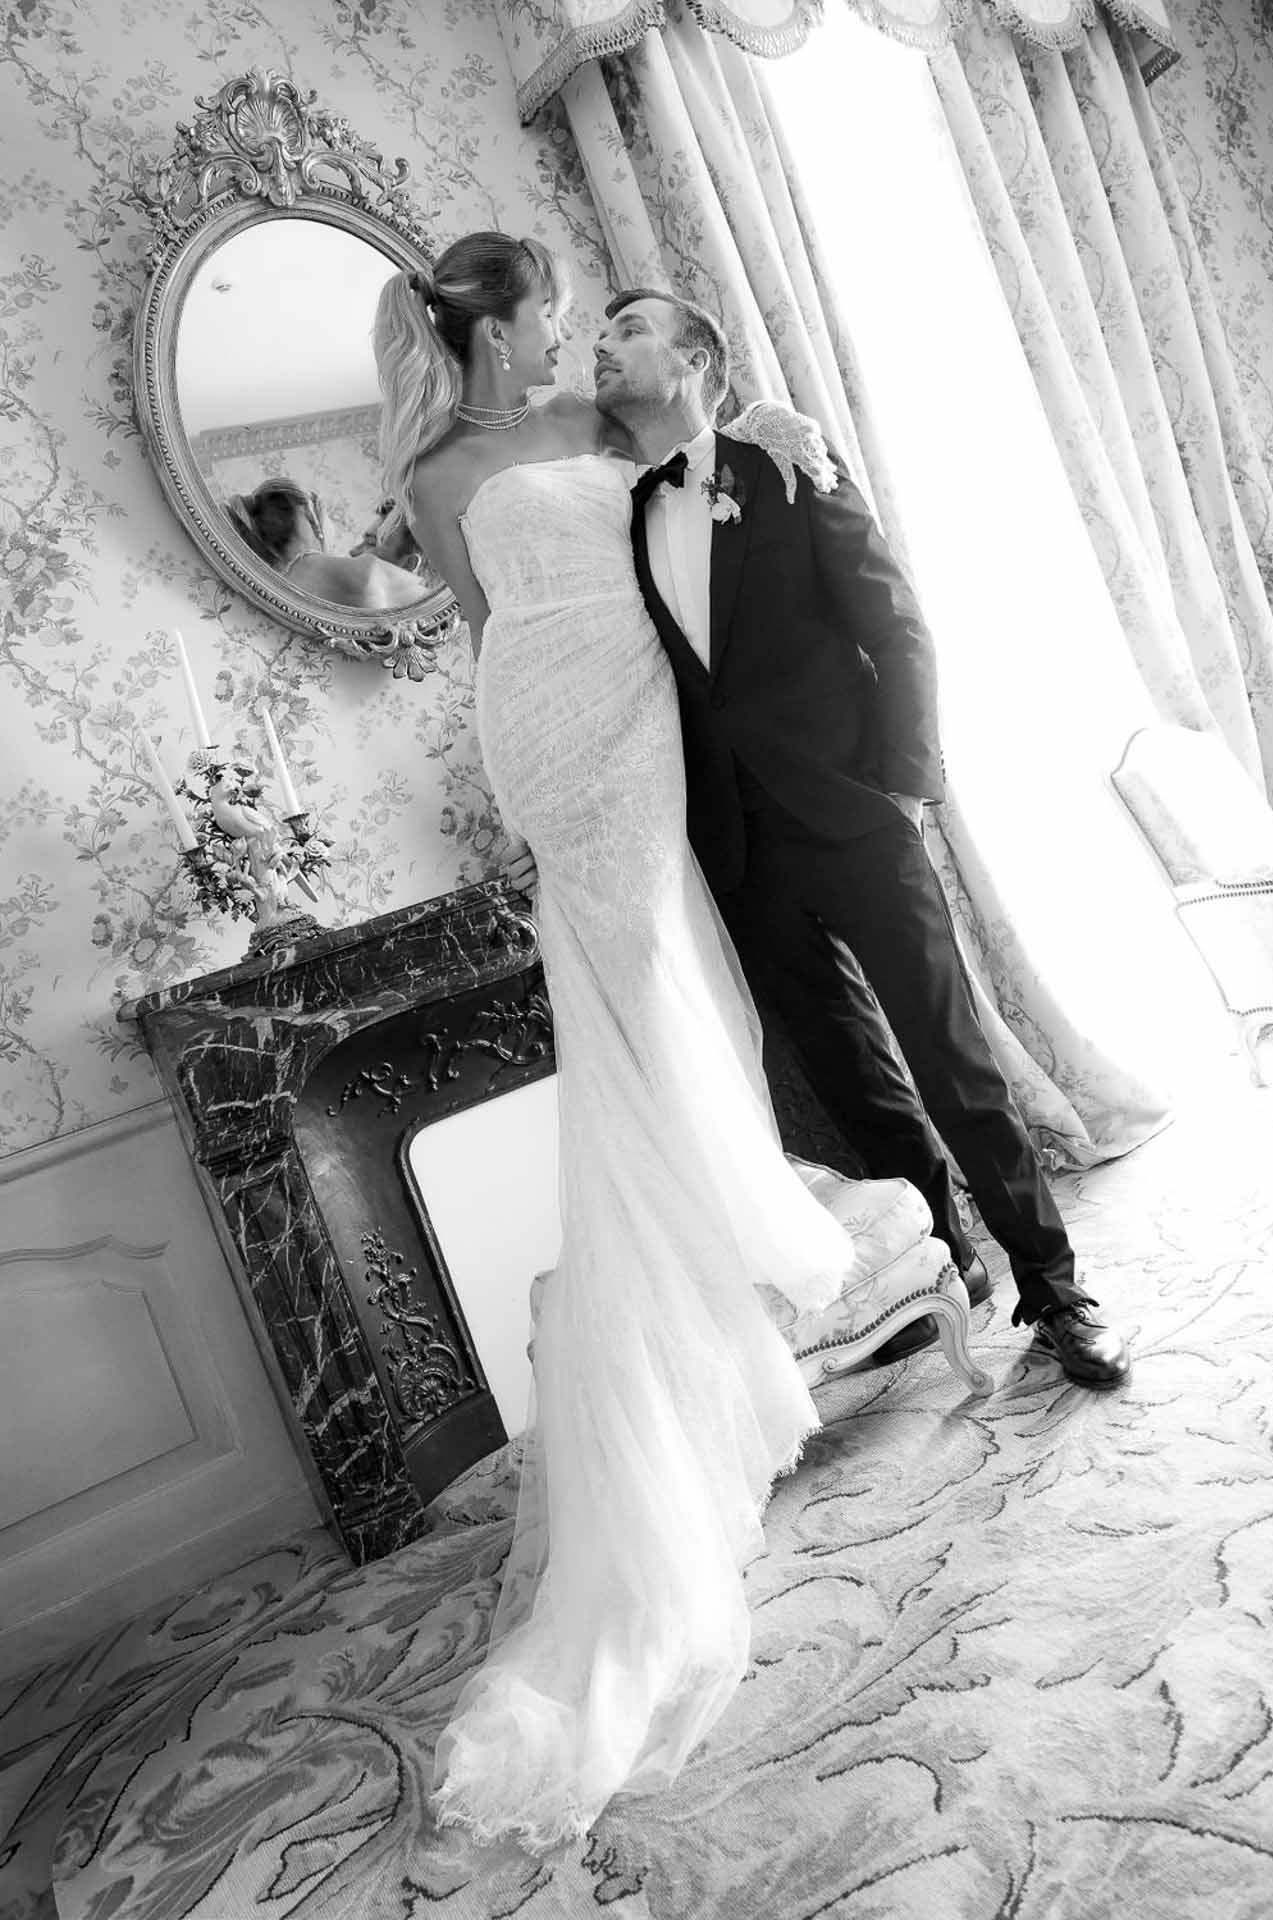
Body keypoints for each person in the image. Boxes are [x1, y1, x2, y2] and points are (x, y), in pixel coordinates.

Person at [372, 233, 882, 1850]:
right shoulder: (436, 472)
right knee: (641, 994)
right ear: (502, 323)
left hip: (638, 699)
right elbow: (485, 629)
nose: (571, 335)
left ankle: (734, 1260)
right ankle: (712, 1278)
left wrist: (779, 430)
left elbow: (692, 468)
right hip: (551, 728)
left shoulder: (593, 417)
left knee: (674, 985)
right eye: (551, 314)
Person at [592, 288, 1132, 1393]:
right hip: (738, 849)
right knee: (855, 1082)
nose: (600, 348)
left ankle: (1056, 1287)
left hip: (856, 813)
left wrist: (905, 786)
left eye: (626, 331)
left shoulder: (785, 462)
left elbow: (896, 620)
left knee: (951, 1056)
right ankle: (945, 1270)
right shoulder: (625, 514)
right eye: (596, 335)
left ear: (696, 359)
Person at [226, 477, 431, 612]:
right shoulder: (364, 577)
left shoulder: (262, 597)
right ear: (310, 517)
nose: (352, 552)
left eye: (370, 543)